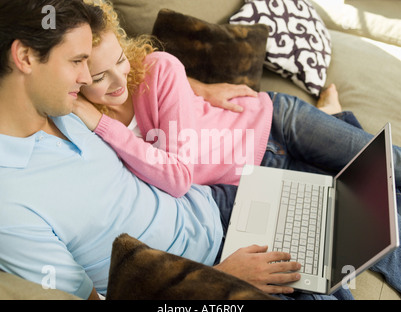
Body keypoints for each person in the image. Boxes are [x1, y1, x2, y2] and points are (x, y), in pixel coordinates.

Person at [0, 0, 400, 302]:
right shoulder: (12, 205)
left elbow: (146, 67)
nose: (87, 78)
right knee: (350, 236)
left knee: (363, 202)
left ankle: (334, 123)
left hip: (227, 188)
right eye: (78, 63)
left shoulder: (64, 103)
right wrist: (219, 278)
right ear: (24, 58)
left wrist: (202, 88)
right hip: (208, 263)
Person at [73, 1, 365, 199]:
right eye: (99, 77)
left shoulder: (158, 67)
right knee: (362, 201)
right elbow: (176, 183)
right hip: (256, 177)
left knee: (385, 167)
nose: (119, 80)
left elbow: (178, 172)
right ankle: (333, 115)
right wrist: (101, 123)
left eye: (120, 60)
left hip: (274, 120)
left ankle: (329, 114)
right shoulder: (85, 126)